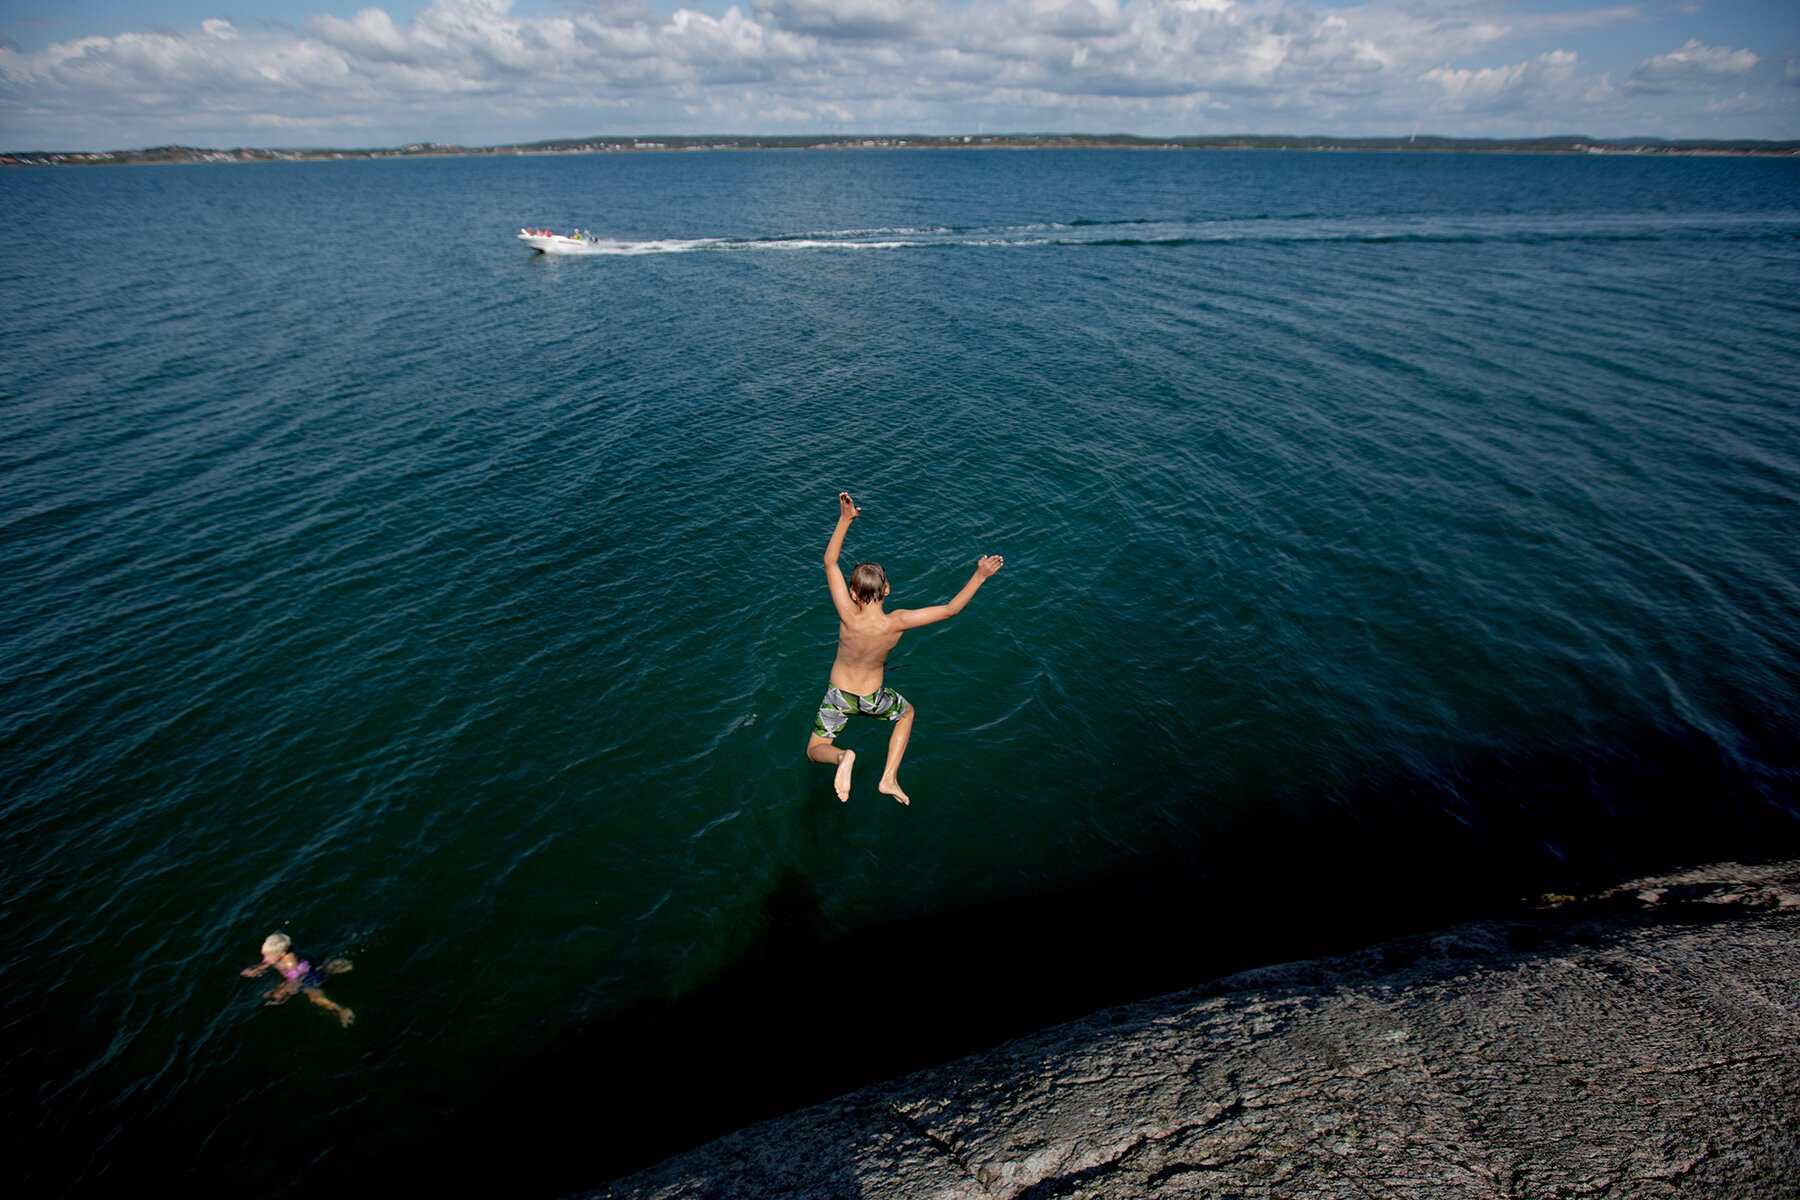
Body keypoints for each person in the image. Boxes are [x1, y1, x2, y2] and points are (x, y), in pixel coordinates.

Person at [806, 491, 1003, 805]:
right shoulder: (896, 622)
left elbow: (829, 561)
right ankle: (889, 778)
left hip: (839, 695)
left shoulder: (846, 612)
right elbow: (951, 609)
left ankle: (842, 758)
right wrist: (979, 576)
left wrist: (844, 520)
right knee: (907, 714)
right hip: (873, 697)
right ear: (887, 589)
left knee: (815, 748)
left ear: (854, 593)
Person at [241, 932, 355, 1027]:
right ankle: (331, 966)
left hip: (306, 976)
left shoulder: (291, 963)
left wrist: (283, 992)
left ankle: (341, 1010)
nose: (267, 958)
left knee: (315, 996)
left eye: (269, 956)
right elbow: (268, 962)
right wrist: (255, 969)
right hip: (303, 969)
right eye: (265, 955)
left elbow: (296, 982)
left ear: (283, 953)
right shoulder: (275, 954)